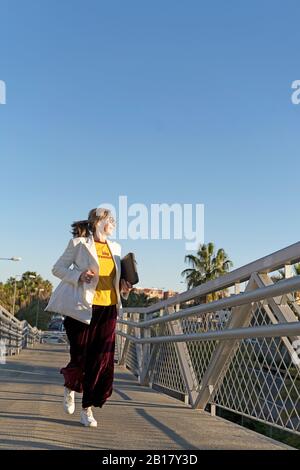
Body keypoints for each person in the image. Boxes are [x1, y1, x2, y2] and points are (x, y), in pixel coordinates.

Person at [45, 207, 132, 427]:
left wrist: (124, 287)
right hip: (81, 308)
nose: (113, 223)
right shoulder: (79, 244)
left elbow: (115, 280)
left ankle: (87, 409)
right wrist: (79, 275)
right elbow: (57, 269)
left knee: (100, 360)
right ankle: (70, 387)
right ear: (97, 223)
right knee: (80, 356)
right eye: (109, 220)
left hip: (108, 308)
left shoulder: (116, 248)